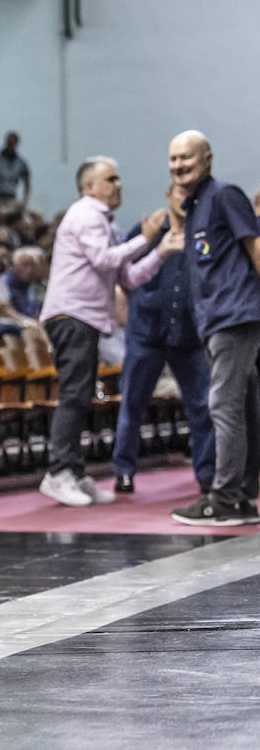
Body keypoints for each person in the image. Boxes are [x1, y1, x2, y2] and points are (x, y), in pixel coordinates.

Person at [38, 156, 181, 507]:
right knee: (74, 395)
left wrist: (159, 251)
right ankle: (58, 473)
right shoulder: (85, 213)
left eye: (119, 178)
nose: (119, 184)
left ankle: (72, 469)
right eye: (110, 179)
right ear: (88, 187)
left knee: (82, 395)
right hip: (71, 315)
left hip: (84, 318)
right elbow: (104, 260)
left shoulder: (105, 223)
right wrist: (145, 239)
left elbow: (127, 277)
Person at [167, 131, 260, 525]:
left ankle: (223, 499)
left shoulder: (223, 195)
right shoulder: (196, 206)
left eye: (186, 157)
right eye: (173, 159)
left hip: (234, 317)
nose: (178, 165)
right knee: (243, 407)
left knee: (223, 407)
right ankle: (240, 496)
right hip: (217, 321)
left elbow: (255, 246)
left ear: (207, 159)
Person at [112, 183, 215, 495]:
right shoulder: (147, 232)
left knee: (203, 406)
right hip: (147, 333)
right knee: (132, 403)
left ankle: (208, 474)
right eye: (180, 195)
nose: (185, 201)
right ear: (168, 196)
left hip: (189, 335)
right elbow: (123, 276)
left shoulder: (205, 236)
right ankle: (124, 471)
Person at [0, 131, 31, 224]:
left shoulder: (20, 163)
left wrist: (24, 201)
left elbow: (27, 183)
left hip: (10, 198)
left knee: (10, 223)